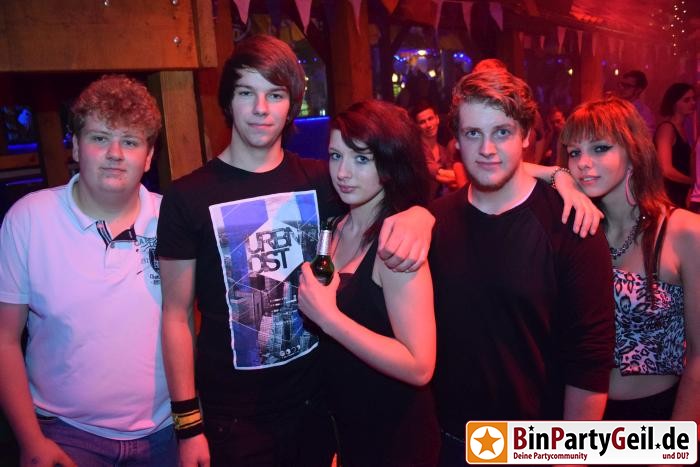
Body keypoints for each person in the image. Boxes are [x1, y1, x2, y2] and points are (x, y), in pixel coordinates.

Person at [157, 34, 435, 467]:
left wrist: (421, 215)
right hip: (235, 419)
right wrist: (188, 425)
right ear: (227, 101)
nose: (261, 108)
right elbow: (175, 316)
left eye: (275, 94)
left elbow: (387, 182)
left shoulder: (324, 181)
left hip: (316, 408)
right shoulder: (187, 197)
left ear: (292, 105)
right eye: (246, 92)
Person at [429, 69, 615, 465]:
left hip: (535, 447)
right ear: (456, 140)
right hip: (449, 444)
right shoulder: (433, 222)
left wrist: (571, 458)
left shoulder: (571, 225)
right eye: (473, 133)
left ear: (527, 136)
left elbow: (591, 360)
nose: (487, 149)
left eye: (502, 132)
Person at [0, 75, 176, 466]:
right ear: (77, 146)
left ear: (149, 156)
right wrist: (30, 441)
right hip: (65, 434)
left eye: (130, 141)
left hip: (165, 433)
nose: (115, 153)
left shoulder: (172, 219)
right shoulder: (29, 219)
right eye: (100, 138)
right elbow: (4, 339)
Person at [298, 100, 440, 467]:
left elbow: (420, 365)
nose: (343, 172)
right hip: (349, 428)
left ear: (389, 164)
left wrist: (329, 319)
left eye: (361, 159)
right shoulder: (335, 227)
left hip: (395, 436)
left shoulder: (396, 243)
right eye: (335, 156)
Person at [556, 97, 700, 427]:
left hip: (655, 418)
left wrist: (676, 446)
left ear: (633, 150)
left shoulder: (684, 231)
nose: (583, 163)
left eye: (600, 148)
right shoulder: (578, 227)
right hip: (576, 416)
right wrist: (559, 177)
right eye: (574, 153)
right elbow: (511, 170)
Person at [654, 82, 696, 208]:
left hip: (680, 192)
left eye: (693, 98)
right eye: (686, 100)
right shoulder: (667, 128)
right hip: (669, 194)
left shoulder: (686, 127)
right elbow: (666, 170)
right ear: (674, 103)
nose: (693, 103)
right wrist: (694, 182)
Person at [411, 101, 463, 197]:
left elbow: (452, 183)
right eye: (422, 122)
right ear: (417, 126)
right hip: (419, 202)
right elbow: (440, 175)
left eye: (430, 119)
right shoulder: (416, 149)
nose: (428, 125)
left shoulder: (443, 150)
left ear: (437, 119)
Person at [617, 70, 655, 135]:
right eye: (622, 84)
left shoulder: (644, 113)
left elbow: (647, 137)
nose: (622, 88)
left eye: (627, 86)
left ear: (638, 90)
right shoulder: (616, 107)